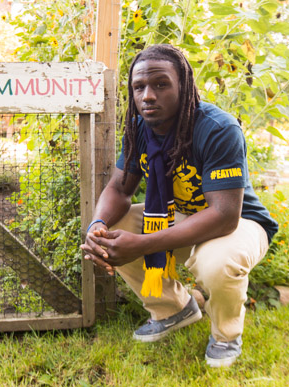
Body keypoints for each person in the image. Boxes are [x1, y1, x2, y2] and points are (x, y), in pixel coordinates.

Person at [80, 44, 278, 368]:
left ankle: (226, 335)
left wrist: (143, 243)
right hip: (181, 215)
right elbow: (119, 187)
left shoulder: (217, 129)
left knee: (217, 263)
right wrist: (96, 225)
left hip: (240, 222)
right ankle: (174, 308)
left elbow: (225, 216)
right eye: (139, 86)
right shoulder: (139, 128)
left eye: (161, 84)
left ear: (183, 86)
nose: (148, 96)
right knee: (110, 230)